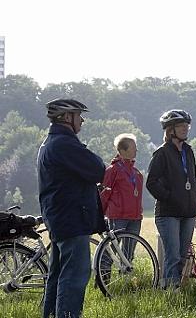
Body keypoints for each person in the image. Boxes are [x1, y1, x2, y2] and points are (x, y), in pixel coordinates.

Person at [37, 98, 106, 318]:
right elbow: (97, 169)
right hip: (72, 219)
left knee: (57, 277)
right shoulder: (64, 144)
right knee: (74, 277)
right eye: (79, 115)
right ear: (67, 117)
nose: (82, 120)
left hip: (60, 219)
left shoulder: (51, 142)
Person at [146, 109, 196, 289]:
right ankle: (170, 292)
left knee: (183, 255)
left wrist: (194, 196)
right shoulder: (162, 153)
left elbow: (191, 178)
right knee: (173, 256)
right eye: (180, 126)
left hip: (188, 211)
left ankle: (174, 288)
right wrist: (169, 197)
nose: (185, 129)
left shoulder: (188, 151)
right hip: (169, 213)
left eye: (186, 125)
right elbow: (151, 183)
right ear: (170, 130)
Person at [99, 133, 144, 262]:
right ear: (122, 150)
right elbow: (104, 193)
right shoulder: (112, 170)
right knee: (110, 252)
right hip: (118, 217)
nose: (136, 149)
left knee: (128, 255)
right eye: (134, 147)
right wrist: (100, 214)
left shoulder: (136, 172)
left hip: (135, 218)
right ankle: (103, 278)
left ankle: (124, 279)